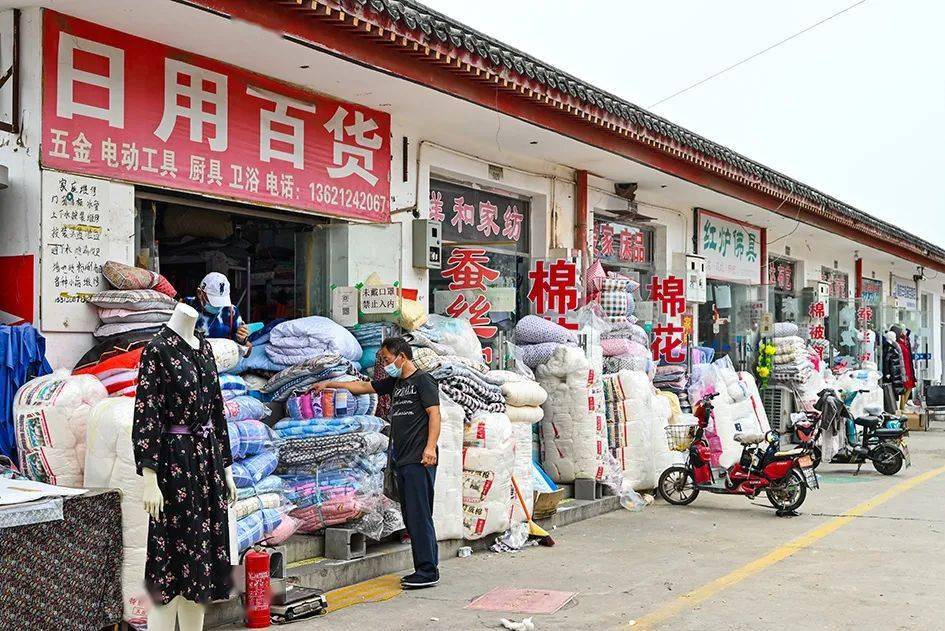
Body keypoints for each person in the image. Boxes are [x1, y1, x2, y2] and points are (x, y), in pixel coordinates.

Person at [314, 337, 441, 589]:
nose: (384, 363)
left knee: (419, 515)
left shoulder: (422, 381)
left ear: (401, 357)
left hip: (419, 459)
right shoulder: (396, 383)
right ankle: (424, 568)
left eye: (386, 358)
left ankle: (428, 571)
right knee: (411, 514)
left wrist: (429, 448)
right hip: (402, 460)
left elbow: (434, 414)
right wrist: (330, 384)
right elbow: (364, 387)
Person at [185, 272, 251, 348]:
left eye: (221, 301)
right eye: (214, 301)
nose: (219, 306)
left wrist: (243, 340)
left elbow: (247, 349)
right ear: (199, 293)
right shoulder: (187, 305)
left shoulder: (231, 311)